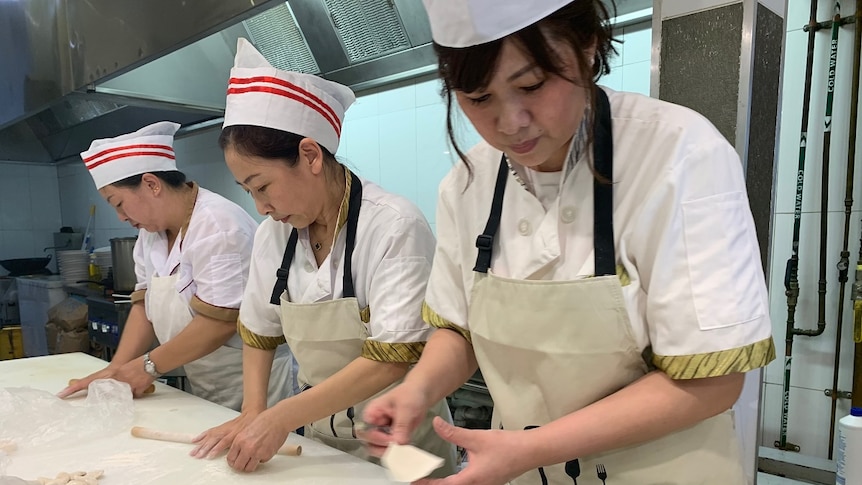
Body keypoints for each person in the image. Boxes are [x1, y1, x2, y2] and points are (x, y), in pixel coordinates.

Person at [361, 1, 776, 484]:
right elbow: (460, 330)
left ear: (588, 45)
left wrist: (529, 448)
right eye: (478, 98)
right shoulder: (466, 183)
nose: (510, 122)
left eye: (532, 85)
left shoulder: (679, 152)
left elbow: (712, 383)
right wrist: (417, 390)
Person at [189, 38, 457, 475]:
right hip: (318, 441)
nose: (261, 207)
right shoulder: (273, 236)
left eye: (262, 186)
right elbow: (258, 331)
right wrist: (255, 411)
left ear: (310, 155)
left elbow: (391, 358)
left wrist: (280, 416)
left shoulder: (393, 225)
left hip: (400, 442)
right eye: (248, 192)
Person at [58, 121, 296, 411]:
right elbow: (143, 305)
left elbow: (220, 322)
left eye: (118, 203)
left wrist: (147, 367)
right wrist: (116, 371)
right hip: (206, 377)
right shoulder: (150, 234)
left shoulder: (217, 225)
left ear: (151, 184)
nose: (121, 216)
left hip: (257, 383)